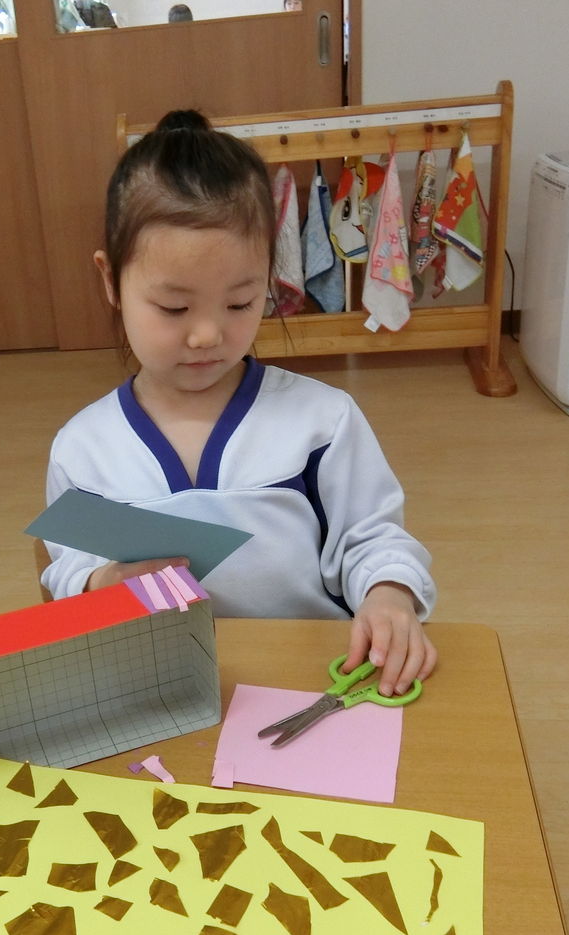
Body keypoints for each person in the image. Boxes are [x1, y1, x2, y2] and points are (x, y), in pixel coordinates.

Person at [41, 110, 436, 698]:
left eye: (240, 303)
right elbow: (67, 568)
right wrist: (106, 581)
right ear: (110, 281)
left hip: (313, 681)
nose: (207, 335)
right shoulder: (83, 449)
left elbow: (372, 538)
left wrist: (389, 596)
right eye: (174, 308)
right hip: (163, 687)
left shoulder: (321, 422)